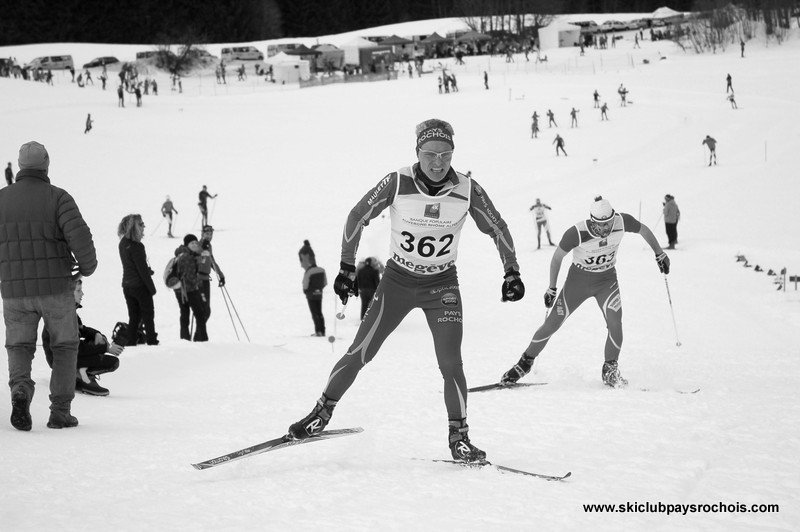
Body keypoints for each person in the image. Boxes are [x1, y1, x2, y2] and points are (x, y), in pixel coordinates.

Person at [286, 119, 525, 463]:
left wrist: (511, 270)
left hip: (441, 284)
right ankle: (320, 415)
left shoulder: (468, 189)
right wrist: (345, 267)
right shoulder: (398, 181)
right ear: (418, 152)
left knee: (450, 363)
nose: (438, 162)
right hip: (397, 282)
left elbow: (497, 226)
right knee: (360, 352)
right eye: (431, 154)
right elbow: (357, 215)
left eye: (446, 154)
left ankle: (459, 438)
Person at [500, 196, 670, 389]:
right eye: (600, 225)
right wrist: (552, 287)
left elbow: (643, 230)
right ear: (592, 220)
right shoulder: (577, 232)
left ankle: (610, 370)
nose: (605, 229)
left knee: (615, 323)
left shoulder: (621, 221)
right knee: (552, 324)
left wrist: (659, 253)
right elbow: (557, 258)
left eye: (608, 223)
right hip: (577, 283)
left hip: (607, 282)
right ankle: (524, 363)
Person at [1, 141, 97, 430]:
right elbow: (80, 237)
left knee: (19, 346)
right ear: (46, 166)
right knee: (65, 346)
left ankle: (21, 390)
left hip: (15, 293)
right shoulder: (58, 198)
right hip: (56, 288)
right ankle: (60, 411)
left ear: (19, 166)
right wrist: (88, 266)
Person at [43, 280, 123, 396]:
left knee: (105, 354)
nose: (82, 294)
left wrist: (97, 335)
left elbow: (83, 330)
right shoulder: (63, 316)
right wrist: (104, 347)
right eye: (78, 291)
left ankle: (80, 372)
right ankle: (78, 376)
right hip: (61, 360)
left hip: (67, 356)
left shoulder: (69, 312)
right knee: (112, 362)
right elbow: (74, 347)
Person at [118, 214, 159, 346]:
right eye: (141, 224)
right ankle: (152, 340)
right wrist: (152, 289)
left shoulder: (123, 243)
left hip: (127, 285)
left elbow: (132, 265)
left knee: (133, 316)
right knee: (148, 314)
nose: (143, 227)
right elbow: (141, 270)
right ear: (134, 227)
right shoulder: (137, 246)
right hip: (139, 286)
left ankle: (131, 342)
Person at [173, 234, 208, 341]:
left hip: (179, 290)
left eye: (195, 243)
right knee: (200, 314)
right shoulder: (187, 256)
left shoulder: (183, 254)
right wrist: (199, 283)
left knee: (185, 314)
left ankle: (184, 339)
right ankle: (202, 339)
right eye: (191, 243)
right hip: (189, 290)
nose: (194, 245)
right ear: (186, 244)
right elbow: (189, 275)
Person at [197, 225, 225, 323]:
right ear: (202, 234)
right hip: (199, 280)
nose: (209, 236)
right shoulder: (199, 245)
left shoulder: (208, 245)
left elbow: (212, 262)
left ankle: (200, 333)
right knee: (203, 310)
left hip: (205, 280)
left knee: (206, 310)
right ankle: (199, 334)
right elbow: (198, 261)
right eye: (207, 234)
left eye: (210, 234)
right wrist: (202, 250)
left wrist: (220, 275)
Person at [301, 246, 327, 337]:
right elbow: (325, 282)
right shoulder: (322, 270)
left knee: (314, 313)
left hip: (311, 295)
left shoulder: (309, 271)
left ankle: (318, 331)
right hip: (319, 294)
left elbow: (305, 284)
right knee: (320, 312)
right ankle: (323, 331)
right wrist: (319, 289)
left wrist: (306, 291)